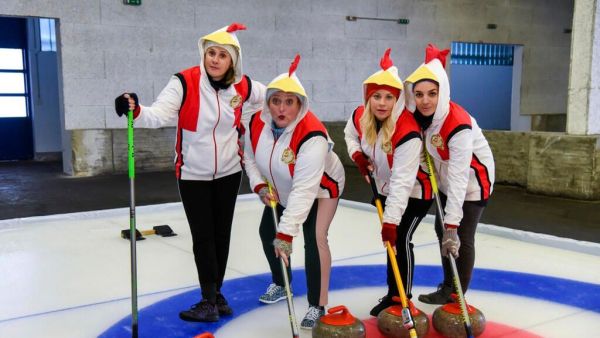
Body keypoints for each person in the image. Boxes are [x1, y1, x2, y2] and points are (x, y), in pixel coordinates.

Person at [114, 23, 266, 322]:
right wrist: (135, 108)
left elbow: (270, 97)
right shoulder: (184, 81)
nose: (215, 59)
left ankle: (215, 295)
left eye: (223, 55)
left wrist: (257, 117)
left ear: (232, 60)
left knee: (222, 235)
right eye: (211, 52)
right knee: (203, 236)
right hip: (193, 174)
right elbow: (157, 115)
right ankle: (209, 298)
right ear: (203, 54)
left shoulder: (244, 86)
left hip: (229, 172)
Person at [243, 55, 345, 329]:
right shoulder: (255, 123)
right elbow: (249, 157)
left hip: (321, 188)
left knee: (314, 238)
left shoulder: (312, 135)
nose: (281, 108)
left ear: (300, 104)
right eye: (276, 100)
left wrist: (286, 233)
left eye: (289, 101)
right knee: (267, 233)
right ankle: (282, 282)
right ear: (268, 102)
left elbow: (304, 190)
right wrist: (259, 185)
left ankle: (318, 304)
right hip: (280, 186)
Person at [403, 44, 495, 304]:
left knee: (460, 236)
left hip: (473, 182)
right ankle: (449, 285)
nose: (425, 100)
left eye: (432, 93)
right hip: (445, 179)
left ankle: (456, 295)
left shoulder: (458, 125)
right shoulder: (423, 117)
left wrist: (452, 224)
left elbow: (459, 177)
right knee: (440, 229)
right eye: (419, 94)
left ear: (442, 92)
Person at [344, 49, 433, 316]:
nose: (382, 103)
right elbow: (349, 134)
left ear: (399, 99)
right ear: (368, 97)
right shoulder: (362, 115)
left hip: (416, 192)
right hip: (385, 188)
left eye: (389, 97)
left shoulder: (407, 132)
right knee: (390, 243)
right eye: (376, 96)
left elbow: (403, 183)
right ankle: (392, 294)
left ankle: (402, 298)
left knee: (400, 238)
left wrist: (390, 221)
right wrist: (358, 156)